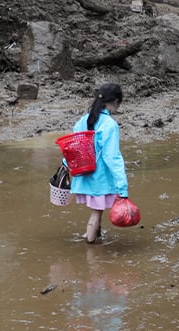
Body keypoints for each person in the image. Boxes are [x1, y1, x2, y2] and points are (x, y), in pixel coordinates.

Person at [70, 83, 129, 243]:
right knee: (96, 213)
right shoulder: (109, 124)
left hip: (85, 175)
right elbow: (112, 157)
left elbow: (72, 146)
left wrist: (67, 166)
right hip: (100, 179)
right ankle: (91, 249)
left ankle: (97, 236)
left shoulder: (84, 120)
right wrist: (122, 186)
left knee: (98, 210)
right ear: (117, 102)